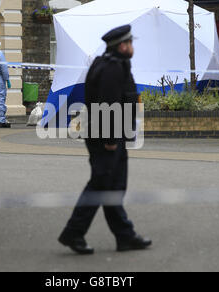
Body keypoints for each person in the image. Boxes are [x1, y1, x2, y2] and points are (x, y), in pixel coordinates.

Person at [58, 25, 152, 254]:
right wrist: (110, 138)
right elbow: (108, 105)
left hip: (110, 135)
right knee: (101, 185)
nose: (133, 47)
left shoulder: (112, 64)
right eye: (130, 43)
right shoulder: (111, 68)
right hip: (106, 137)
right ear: (122, 46)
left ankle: (124, 236)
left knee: (113, 186)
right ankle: (74, 232)